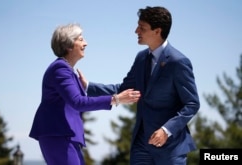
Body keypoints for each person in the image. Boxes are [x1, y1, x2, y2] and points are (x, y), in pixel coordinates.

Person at [78, 6, 200, 165]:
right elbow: (123, 90)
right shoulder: (141, 58)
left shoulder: (178, 62)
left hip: (170, 148)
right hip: (141, 145)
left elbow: (192, 103)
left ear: (157, 31)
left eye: (142, 27)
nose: (136, 31)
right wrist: (88, 86)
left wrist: (166, 130)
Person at [28, 23, 141, 165]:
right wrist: (116, 99)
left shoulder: (67, 70)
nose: (85, 43)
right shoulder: (60, 68)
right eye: (80, 39)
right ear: (68, 45)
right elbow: (78, 102)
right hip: (58, 135)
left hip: (64, 135)